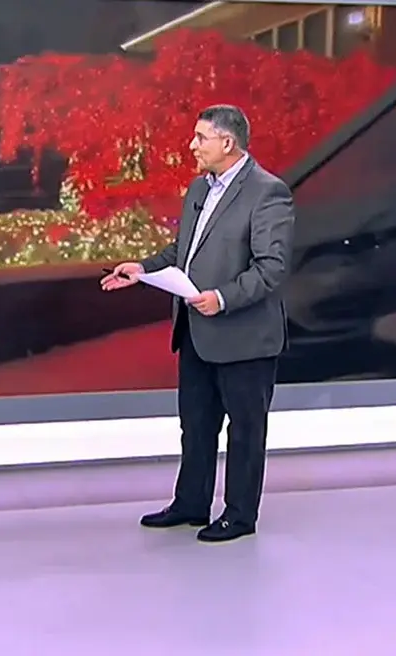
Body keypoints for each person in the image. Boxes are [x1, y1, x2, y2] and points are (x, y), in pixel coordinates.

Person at [101, 105, 294, 543]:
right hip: (195, 332)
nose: (192, 146)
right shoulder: (198, 189)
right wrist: (143, 269)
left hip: (244, 337)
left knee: (245, 431)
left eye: (200, 138)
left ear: (227, 142)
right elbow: (183, 251)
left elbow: (271, 268)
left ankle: (239, 515)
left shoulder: (268, 192)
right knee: (196, 425)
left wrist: (222, 298)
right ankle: (191, 503)